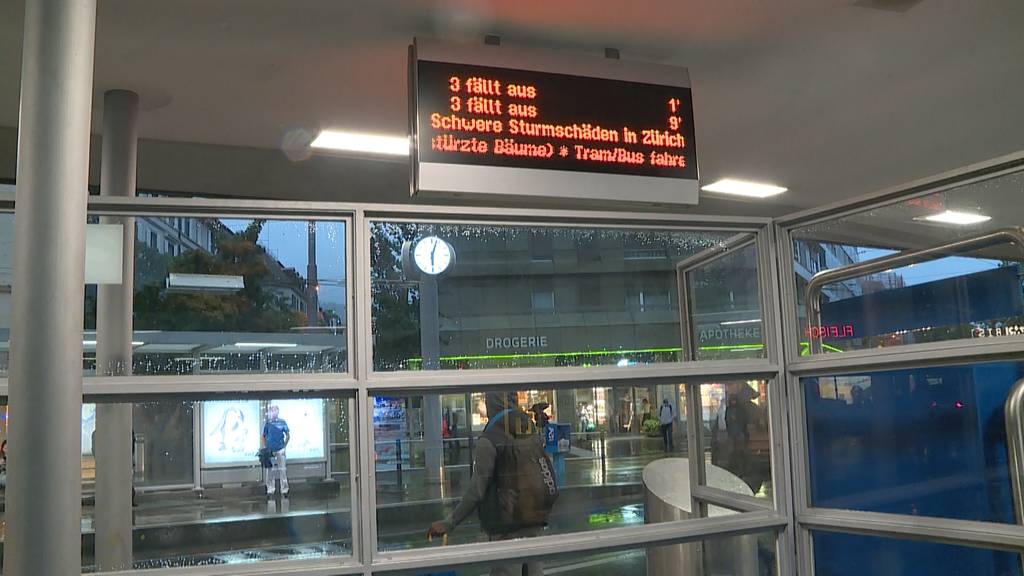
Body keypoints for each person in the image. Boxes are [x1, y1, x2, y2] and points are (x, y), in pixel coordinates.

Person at [428, 392, 557, 576]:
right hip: (534, 519)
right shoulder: (528, 427)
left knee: (506, 570)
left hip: (506, 524)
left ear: (492, 403)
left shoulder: (491, 437)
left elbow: (476, 490)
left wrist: (449, 523)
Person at [262, 405, 290, 497]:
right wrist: (266, 447)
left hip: (280, 449)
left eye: (275, 410)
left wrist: (284, 446)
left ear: (278, 412)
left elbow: (288, 435)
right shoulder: (268, 423)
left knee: (282, 470)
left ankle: (284, 490)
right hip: (270, 450)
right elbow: (263, 436)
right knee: (270, 471)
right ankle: (270, 490)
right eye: (272, 410)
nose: (274, 412)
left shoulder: (282, 422)